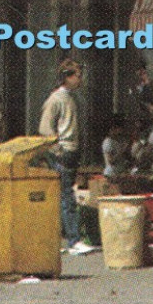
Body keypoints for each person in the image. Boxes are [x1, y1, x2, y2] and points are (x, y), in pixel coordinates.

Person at [39, 60, 90, 255]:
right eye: (77, 75)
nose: (80, 79)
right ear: (67, 77)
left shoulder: (71, 97)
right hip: (63, 152)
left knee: (65, 195)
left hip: (71, 150)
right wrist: (57, 150)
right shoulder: (56, 99)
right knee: (66, 197)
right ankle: (74, 240)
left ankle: (65, 238)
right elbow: (45, 128)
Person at [101, 114, 132, 180]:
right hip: (111, 174)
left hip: (120, 172)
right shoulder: (108, 142)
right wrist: (122, 151)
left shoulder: (119, 141)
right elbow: (110, 160)